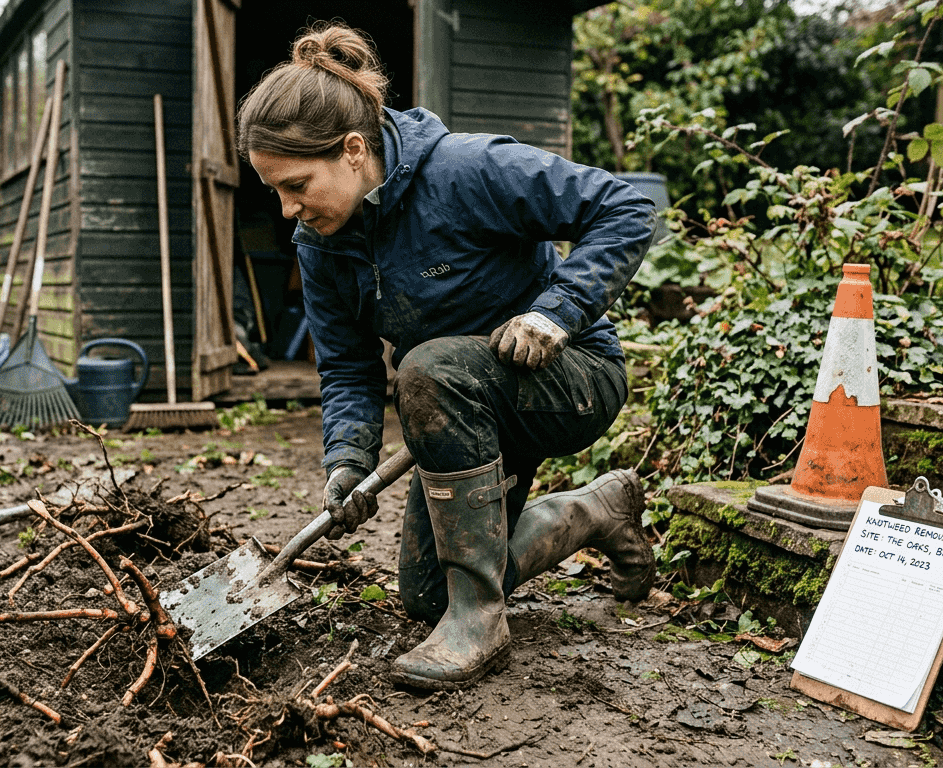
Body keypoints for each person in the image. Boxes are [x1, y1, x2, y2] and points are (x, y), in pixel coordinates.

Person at [236, 22, 658, 691]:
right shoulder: (321, 241)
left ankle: (483, 624)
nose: (287, 209)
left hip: (567, 382)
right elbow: (347, 364)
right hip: (464, 413)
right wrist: (348, 461)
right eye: (274, 192)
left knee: (427, 368)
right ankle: (595, 511)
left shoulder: (466, 169)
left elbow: (627, 207)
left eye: (295, 184)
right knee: (428, 599)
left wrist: (558, 310)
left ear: (351, 150)